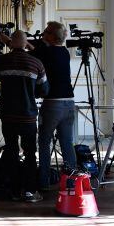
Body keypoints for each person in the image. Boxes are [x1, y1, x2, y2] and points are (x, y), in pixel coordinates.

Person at [0, 30, 49, 203]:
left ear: (11, 43)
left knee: (11, 151)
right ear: (25, 44)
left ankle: (14, 190)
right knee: (30, 153)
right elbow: (44, 90)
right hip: (28, 116)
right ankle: (30, 191)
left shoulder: (2, 61)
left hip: (8, 115)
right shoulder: (36, 63)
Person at [29, 22, 77, 190]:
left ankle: (43, 181)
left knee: (44, 142)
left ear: (53, 36)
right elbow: (37, 50)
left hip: (52, 104)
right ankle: (72, 183)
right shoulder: (64, 52)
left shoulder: (45, 52)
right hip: (70, 103)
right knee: (67, 143)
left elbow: (30, 52)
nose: (43, 33)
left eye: (46, 32)